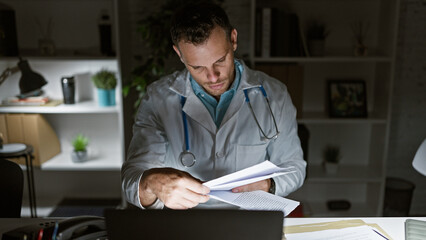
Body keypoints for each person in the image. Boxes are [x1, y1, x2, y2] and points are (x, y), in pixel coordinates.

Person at [122, 1, 306, 210]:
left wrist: (269, 185)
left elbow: (295, 168)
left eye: (220, 60)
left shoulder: (274, 95)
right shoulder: (158, 99)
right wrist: (151, 183)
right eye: (198, 67)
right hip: (183, 227)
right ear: (179, 54)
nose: (213, 76)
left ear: (233, 40)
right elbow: (132, 178)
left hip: (249, 223)